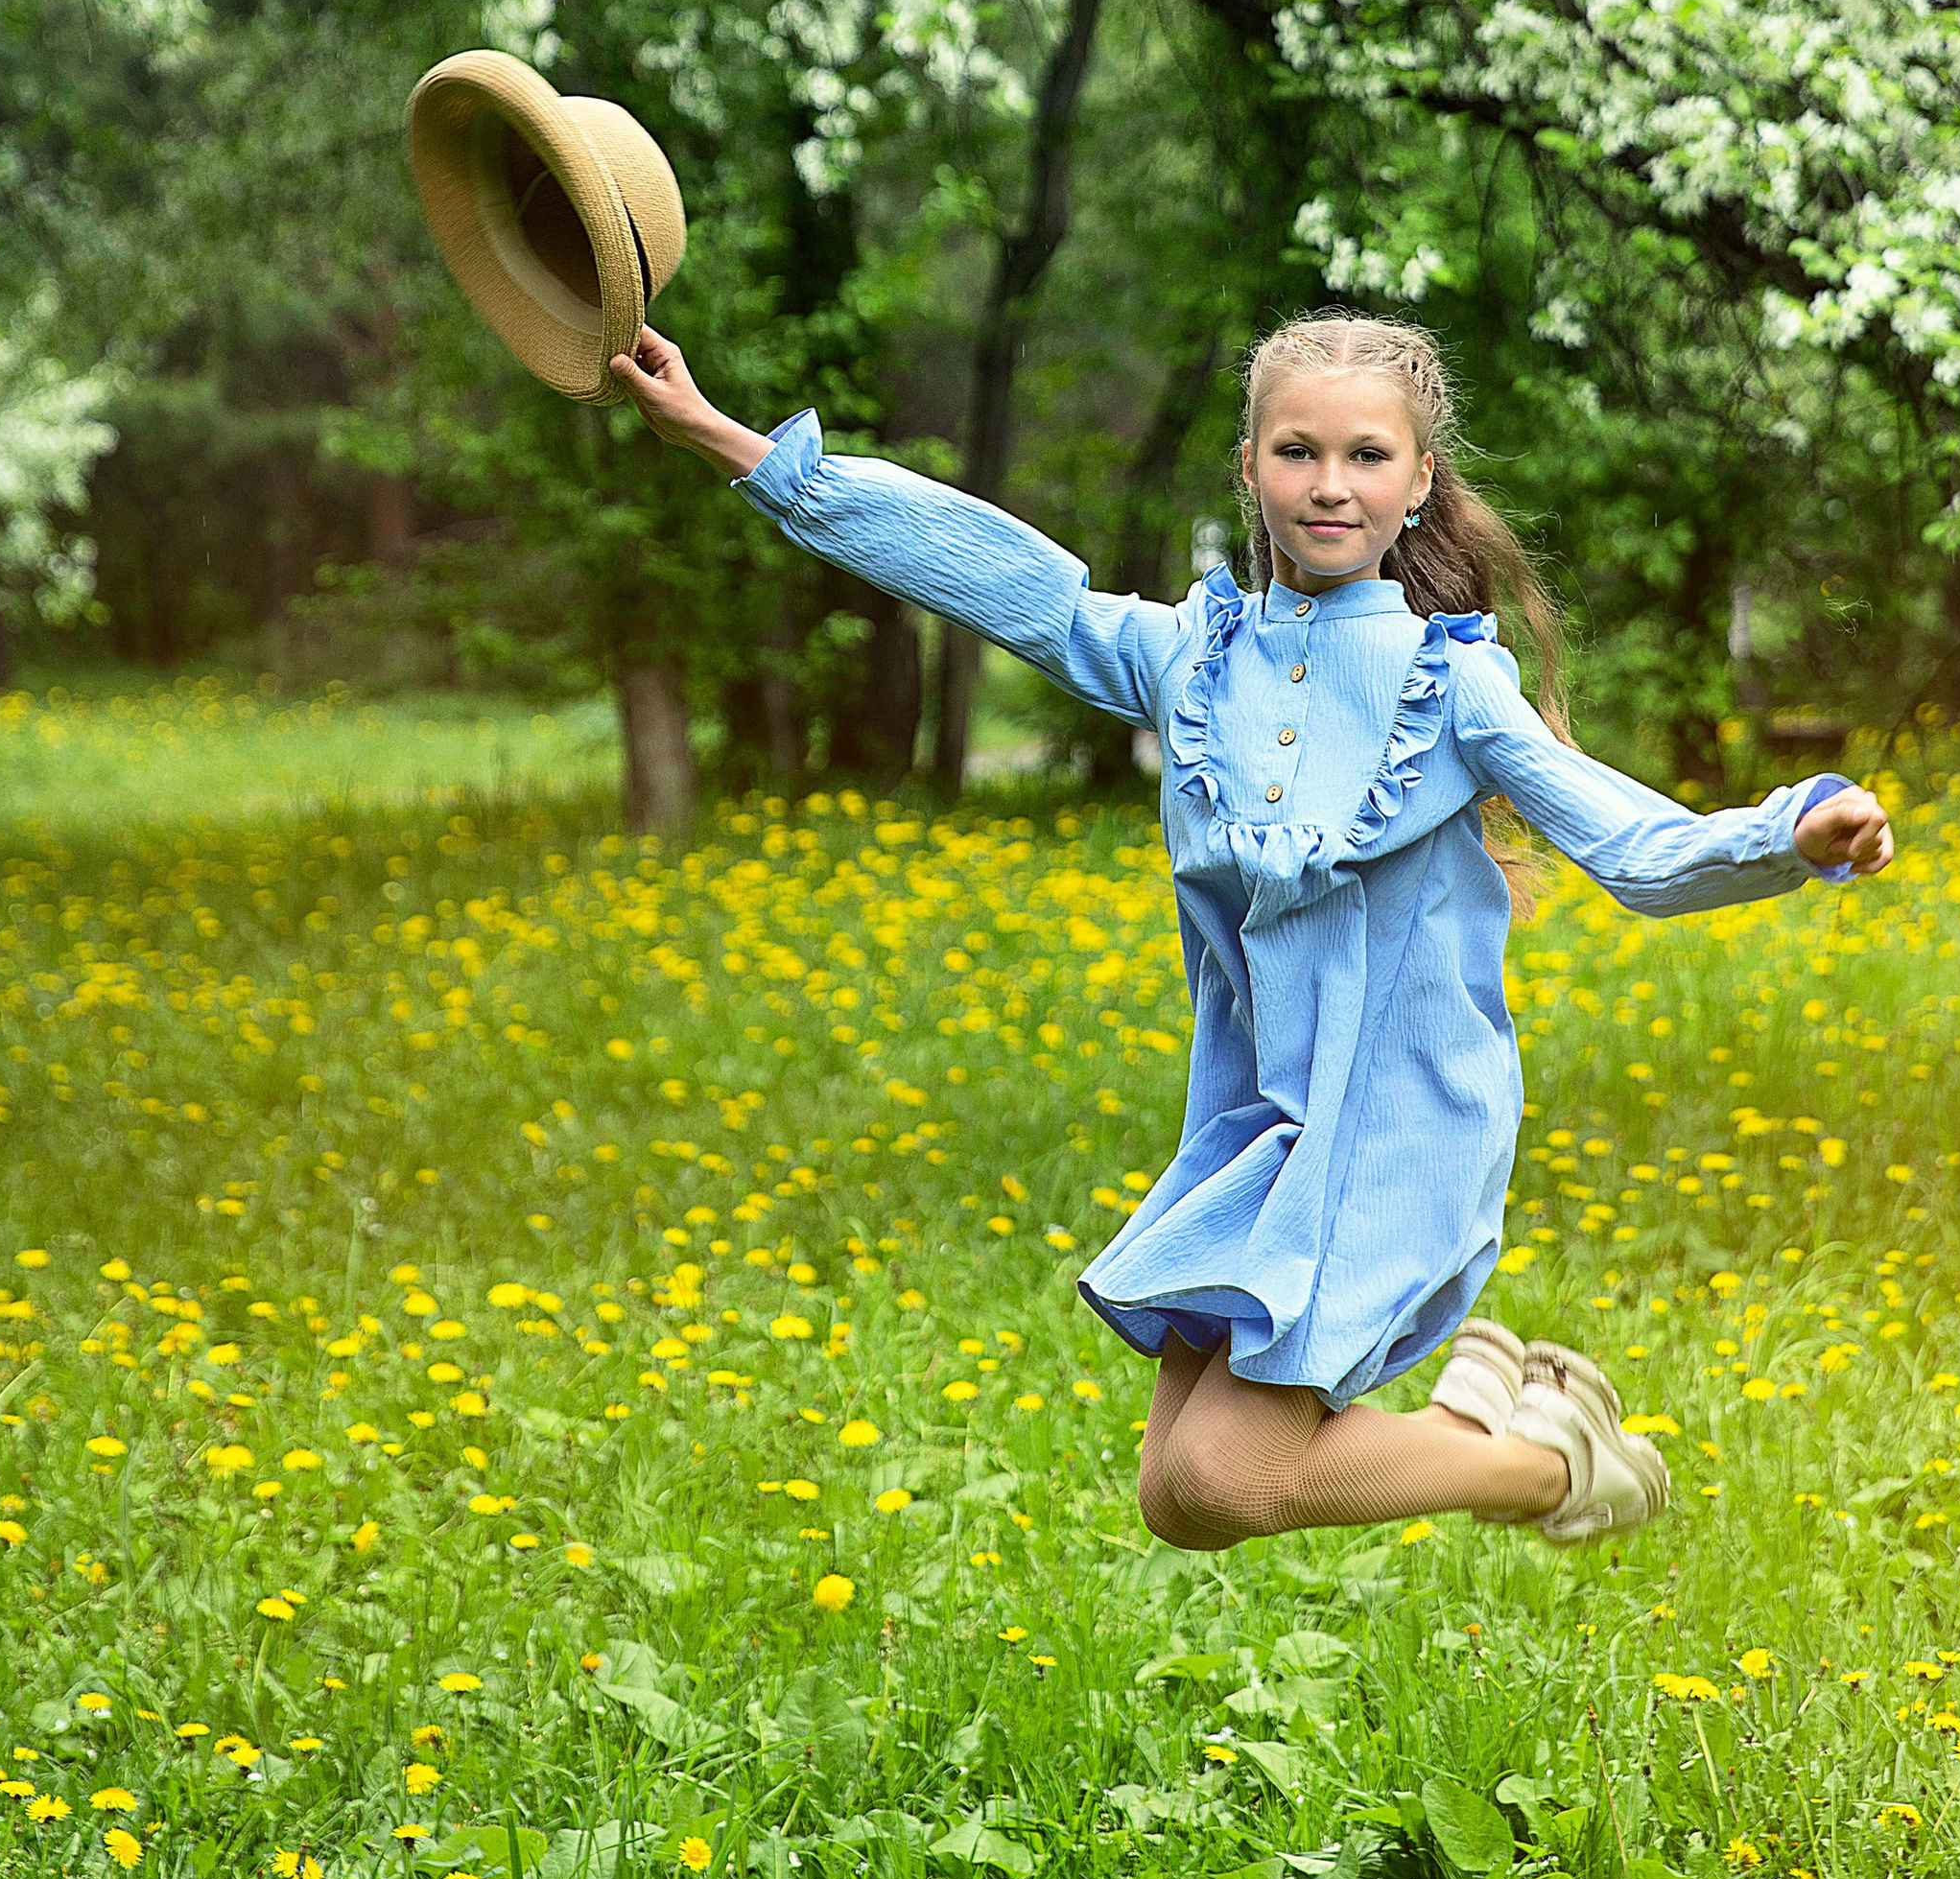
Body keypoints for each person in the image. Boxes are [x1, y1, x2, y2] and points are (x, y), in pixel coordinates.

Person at [615, 310, 1891, 1558]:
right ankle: (1493, 1423)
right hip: (1265, 1114)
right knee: (1177, 1499)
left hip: (1400, 1119)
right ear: (1249, 469)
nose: (1329, 486)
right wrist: (730, 438)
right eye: (1297, 452)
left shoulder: (1452, 685)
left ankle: (1549, 1463)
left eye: (1366, 457)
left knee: (1225, 1475)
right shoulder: (1188, 658)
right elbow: (995, 572)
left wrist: (1797, 829)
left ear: (1419, 482)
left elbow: (1635, 847)